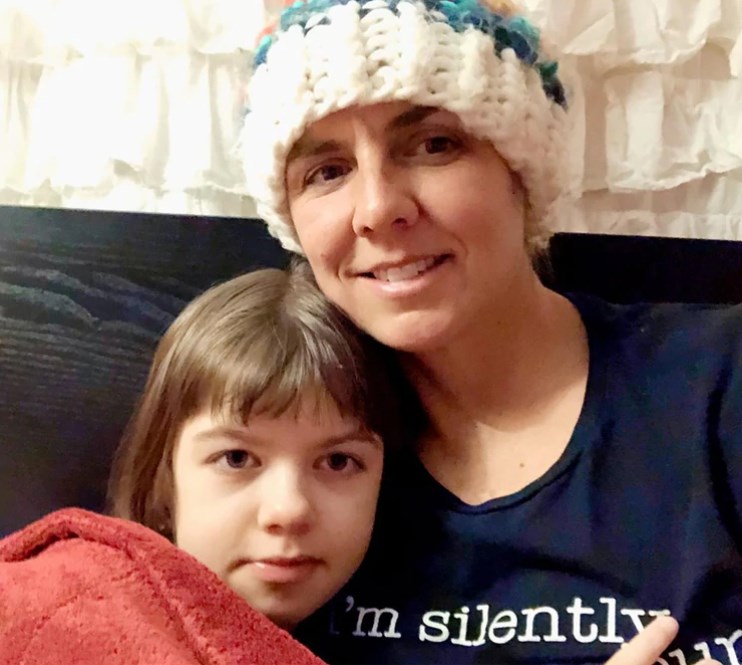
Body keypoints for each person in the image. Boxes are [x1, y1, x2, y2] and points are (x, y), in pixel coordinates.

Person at [239, 1, 742, 664]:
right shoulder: (275, 455)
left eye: (433, 145)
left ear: (520, 174)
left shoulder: (719, 383)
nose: (378, 209)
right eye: (327, 172)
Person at [0, 264, 408, 663]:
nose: (288, 510)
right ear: (164, 479)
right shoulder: (68, 608)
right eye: (236, 458)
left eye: (337, 461)